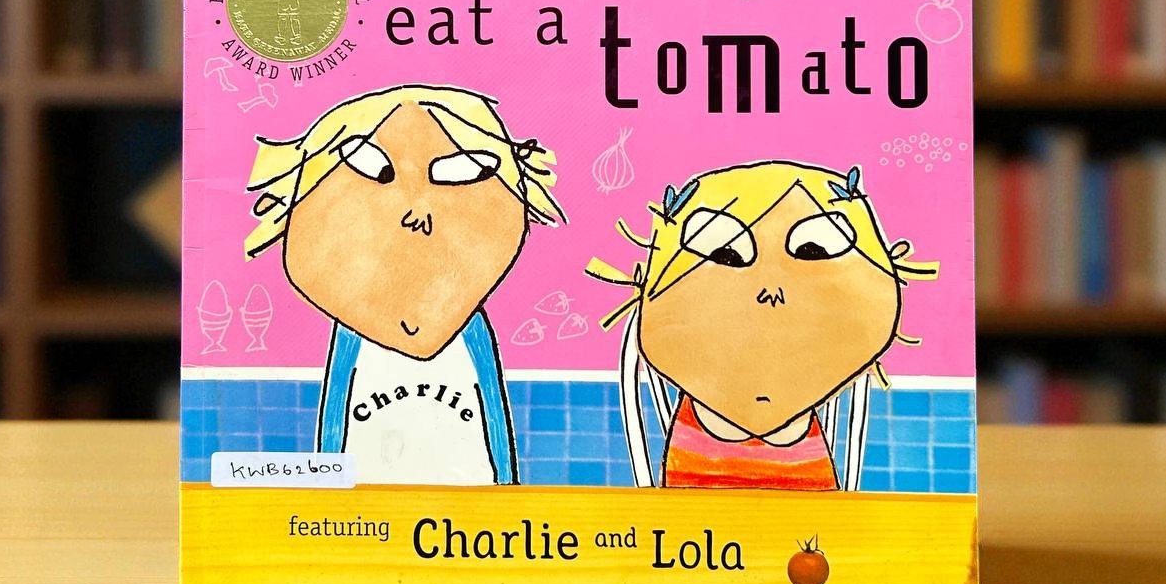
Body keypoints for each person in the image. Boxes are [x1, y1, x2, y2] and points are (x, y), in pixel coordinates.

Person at [244, 84, 564, 485]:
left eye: (460, 173)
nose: (415, 212)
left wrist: (506, 487)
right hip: (360, 503)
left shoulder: (471, 331)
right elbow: (335, 421)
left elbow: (493, 417)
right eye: (370, 168)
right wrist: (325, 490)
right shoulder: (354, 329)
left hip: (474, 504)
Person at [588, 160, 937, 490]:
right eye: (725, 254)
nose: (771, 290)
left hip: (808, 513)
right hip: (692, 515)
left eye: (812, 250)